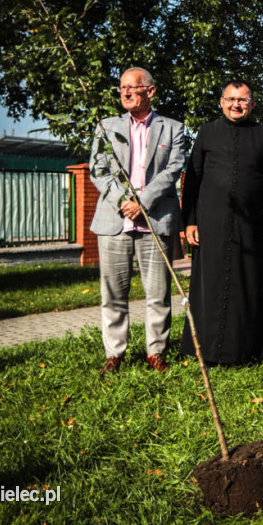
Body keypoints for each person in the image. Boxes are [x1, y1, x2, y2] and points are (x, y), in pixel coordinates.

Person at [90, 67, 187, 375]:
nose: (126, 93)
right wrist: (123, 201)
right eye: (122, 88)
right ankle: (115, 354)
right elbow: (98, 169)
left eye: (133, 88)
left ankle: (155, 352)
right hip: (114, 220)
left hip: (155, 219)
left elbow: (173, 170)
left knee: (158, 293)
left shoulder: (173, 128)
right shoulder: (105, 127)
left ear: (151, 91)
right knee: (113, 294)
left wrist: (142, 202)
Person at [181, 80, 263, 366]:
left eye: (243, 100)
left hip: (252, 225)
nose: (236, 104)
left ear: (252, 104)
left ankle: (252, 348)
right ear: (221, 102)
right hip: (210, 223)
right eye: (231, 99)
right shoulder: (206, 132)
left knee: (250, 283)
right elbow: (193, 179)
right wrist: (189, 221)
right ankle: (206, 348)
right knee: (209, 285)